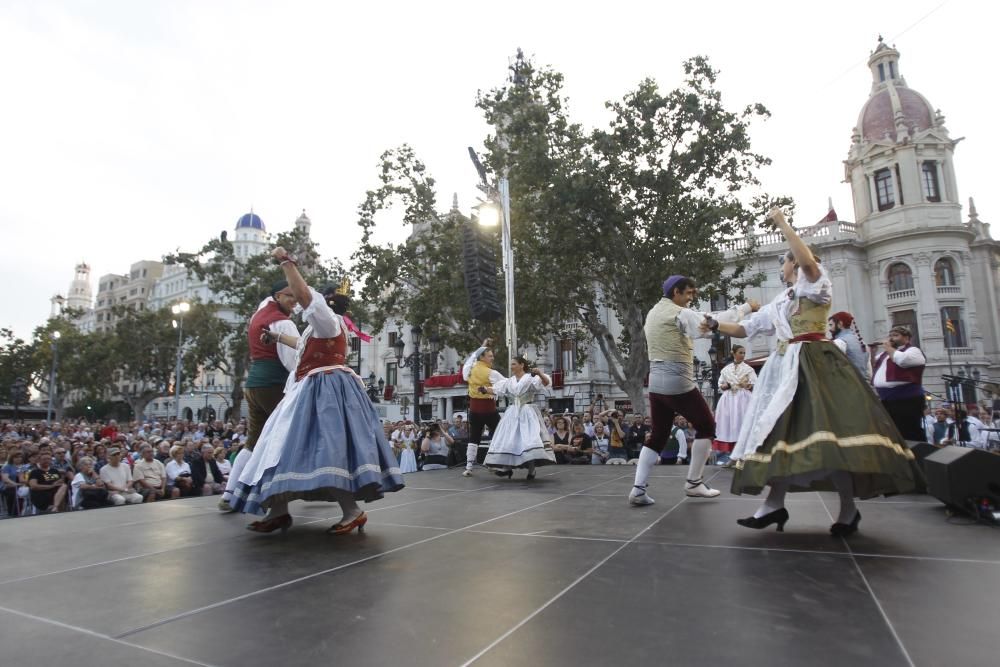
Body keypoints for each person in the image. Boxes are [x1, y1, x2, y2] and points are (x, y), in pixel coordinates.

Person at [707, 207, 919, 535]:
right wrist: (713, 323)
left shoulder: (816, 282)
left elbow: (807, 261)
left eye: (786, 259)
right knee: (779, 434)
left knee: (827, 438)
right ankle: (773, 506)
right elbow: (746, 328)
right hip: (783, 368)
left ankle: (847, 510)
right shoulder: (780, 301)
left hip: (815, 364)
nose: (784, 264)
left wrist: (782, 223)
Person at [230, 249, 403, 534]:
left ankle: (352, 511)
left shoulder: (326, 321)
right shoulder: (318, 330)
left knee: (325, 452)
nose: (301, 304)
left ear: (326, 304)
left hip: (323, 393)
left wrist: (288, 264)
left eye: (309, 302)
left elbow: (307, 297)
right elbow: (299, 345)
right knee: (280, 447)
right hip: (308, 390)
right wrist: (275, 336)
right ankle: (278, 510)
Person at [628, 275, 758, 506]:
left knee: (658, 435)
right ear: (675, 292)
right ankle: (694, 482)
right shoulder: (680, 313)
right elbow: (711, 321)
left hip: (656, 382)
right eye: (687, 293)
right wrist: (747, 307)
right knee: (707, 426)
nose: (690, 298)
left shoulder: (654, 312)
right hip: (677, 380)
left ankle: (638, 489)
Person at [218, 280, 299, 512]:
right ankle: (275, 498)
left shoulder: (258, 316)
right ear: (278, 296)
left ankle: (229, 494)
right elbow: (292, 360)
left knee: (253, 442)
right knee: (283, 438)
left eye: (296, 295)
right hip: (273, 385)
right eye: (289, 295)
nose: (294, 300)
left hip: (253, 384)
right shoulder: (283, 323)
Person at [480, 356, 555, 479]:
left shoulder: (531, 378)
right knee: (510, 439)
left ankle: (531, 470)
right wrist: (485, 389)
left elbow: (546, 383)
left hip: (527, 412)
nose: (511, 366)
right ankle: (507, 468)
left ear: (521, 365)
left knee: (528, 442)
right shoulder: (509, 381)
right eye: (511, 364)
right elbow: (497, 390)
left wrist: (540, 373)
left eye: (514, 364)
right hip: (513, 413)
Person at [872, 326, 927, 442]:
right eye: (890, 336)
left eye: (895, 335)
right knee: (892, 432)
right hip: (887, 400)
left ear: (906, 337)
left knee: (909, 431)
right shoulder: (884, 355)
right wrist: (871, 352)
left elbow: (902, 361)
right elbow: (871, 365)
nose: (891, 338)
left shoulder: (913, 351)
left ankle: (918, 455)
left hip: (906, 399)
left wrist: (888, 347)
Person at [461, 339, 505, 477]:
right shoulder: (492, 373)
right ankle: (493, 462)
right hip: (488, 410)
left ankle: (469, 467)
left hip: (474, 410)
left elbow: (471, 359)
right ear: (483, 358)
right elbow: (505, 387)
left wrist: (482, 346)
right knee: (500, 434)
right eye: (490, 356)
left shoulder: (469, 370)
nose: (493, 358)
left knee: (474, 438)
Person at [713, 345, 757, 466]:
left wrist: (747, 385)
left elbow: (754, 383)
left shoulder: (748, 369)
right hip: (729, 399)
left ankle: (743, 458)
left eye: (744, 353)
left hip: (743, 400)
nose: (743, 355)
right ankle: (733, 457)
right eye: (740, 352)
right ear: (734, 353)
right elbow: (720, 384)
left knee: (742, 425)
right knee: (731, 426)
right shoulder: (726, 370)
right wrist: (725, 386)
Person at [828, 311, 871, 381]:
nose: (830, 329)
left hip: (848, 385)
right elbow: (869, 372)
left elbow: (830, 367)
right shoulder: (862, 342)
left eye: (831, 325)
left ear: (840, 324)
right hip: (864, 386)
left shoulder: (839, 342)